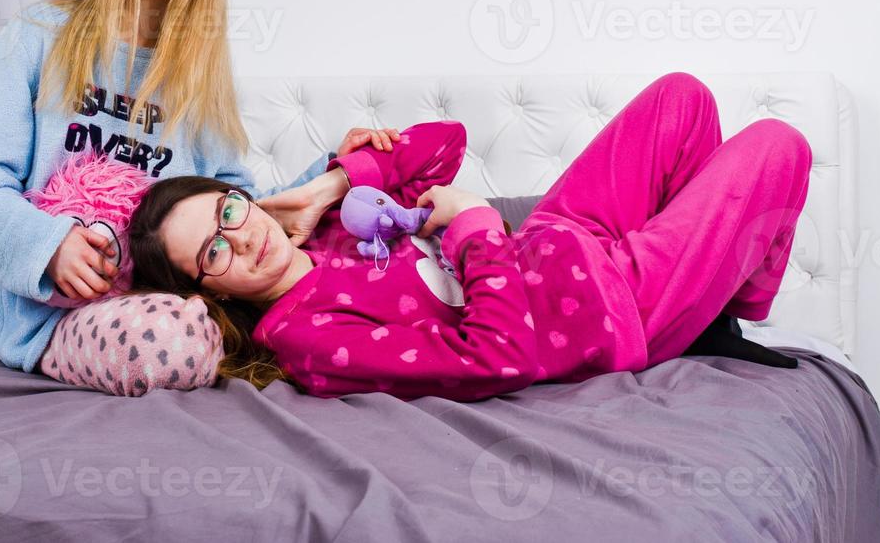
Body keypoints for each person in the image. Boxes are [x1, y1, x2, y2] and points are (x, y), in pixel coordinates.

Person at [0, 0, 400, 379]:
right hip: (56, 318)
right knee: (171, 339)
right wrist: (49, 248)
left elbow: (231, 203)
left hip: (172, 299)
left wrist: (329, 174)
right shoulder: (35, 36)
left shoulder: (197, 71)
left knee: (378, 196)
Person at [128, 72, 813, 401]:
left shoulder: (327, 228)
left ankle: (715, 311)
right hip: (605, 312)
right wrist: (474, 229)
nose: (241, 239)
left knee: (681, 99)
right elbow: (494, 358)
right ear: (207, 291)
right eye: (213, 253)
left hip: (557, 238)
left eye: (227, 213)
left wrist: (333, 184)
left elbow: (443, 147)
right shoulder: (306, 336)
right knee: (777, 145)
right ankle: (709, 309)